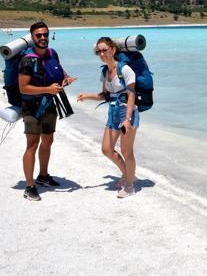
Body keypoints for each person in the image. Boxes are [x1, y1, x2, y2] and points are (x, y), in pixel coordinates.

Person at [18, 21, 76, 201]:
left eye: (45, 34)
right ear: (32, 37)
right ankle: (29, 186)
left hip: (50, 104)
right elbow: (23, 88)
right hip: (32, 108)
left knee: (48, 140)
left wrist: (66, 78)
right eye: (39, 35)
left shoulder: (52, 53)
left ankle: (43, 176)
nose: (43, 38)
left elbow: (57, 69)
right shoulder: (27, 59)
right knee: (32, 144)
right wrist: (47, 89)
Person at [77, 37, 140, 198]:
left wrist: (127, 119)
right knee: (106, 149)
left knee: (126, 151)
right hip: (113, 112)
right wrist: (87, 96)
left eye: (105, 50)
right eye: (99, 51)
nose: (102, 54)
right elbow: (104, 95)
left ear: (113, 50)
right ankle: (128, 174)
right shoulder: (105, 72)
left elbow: (131, 95)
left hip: (127, 112)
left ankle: (130, 185)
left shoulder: (125, 70)